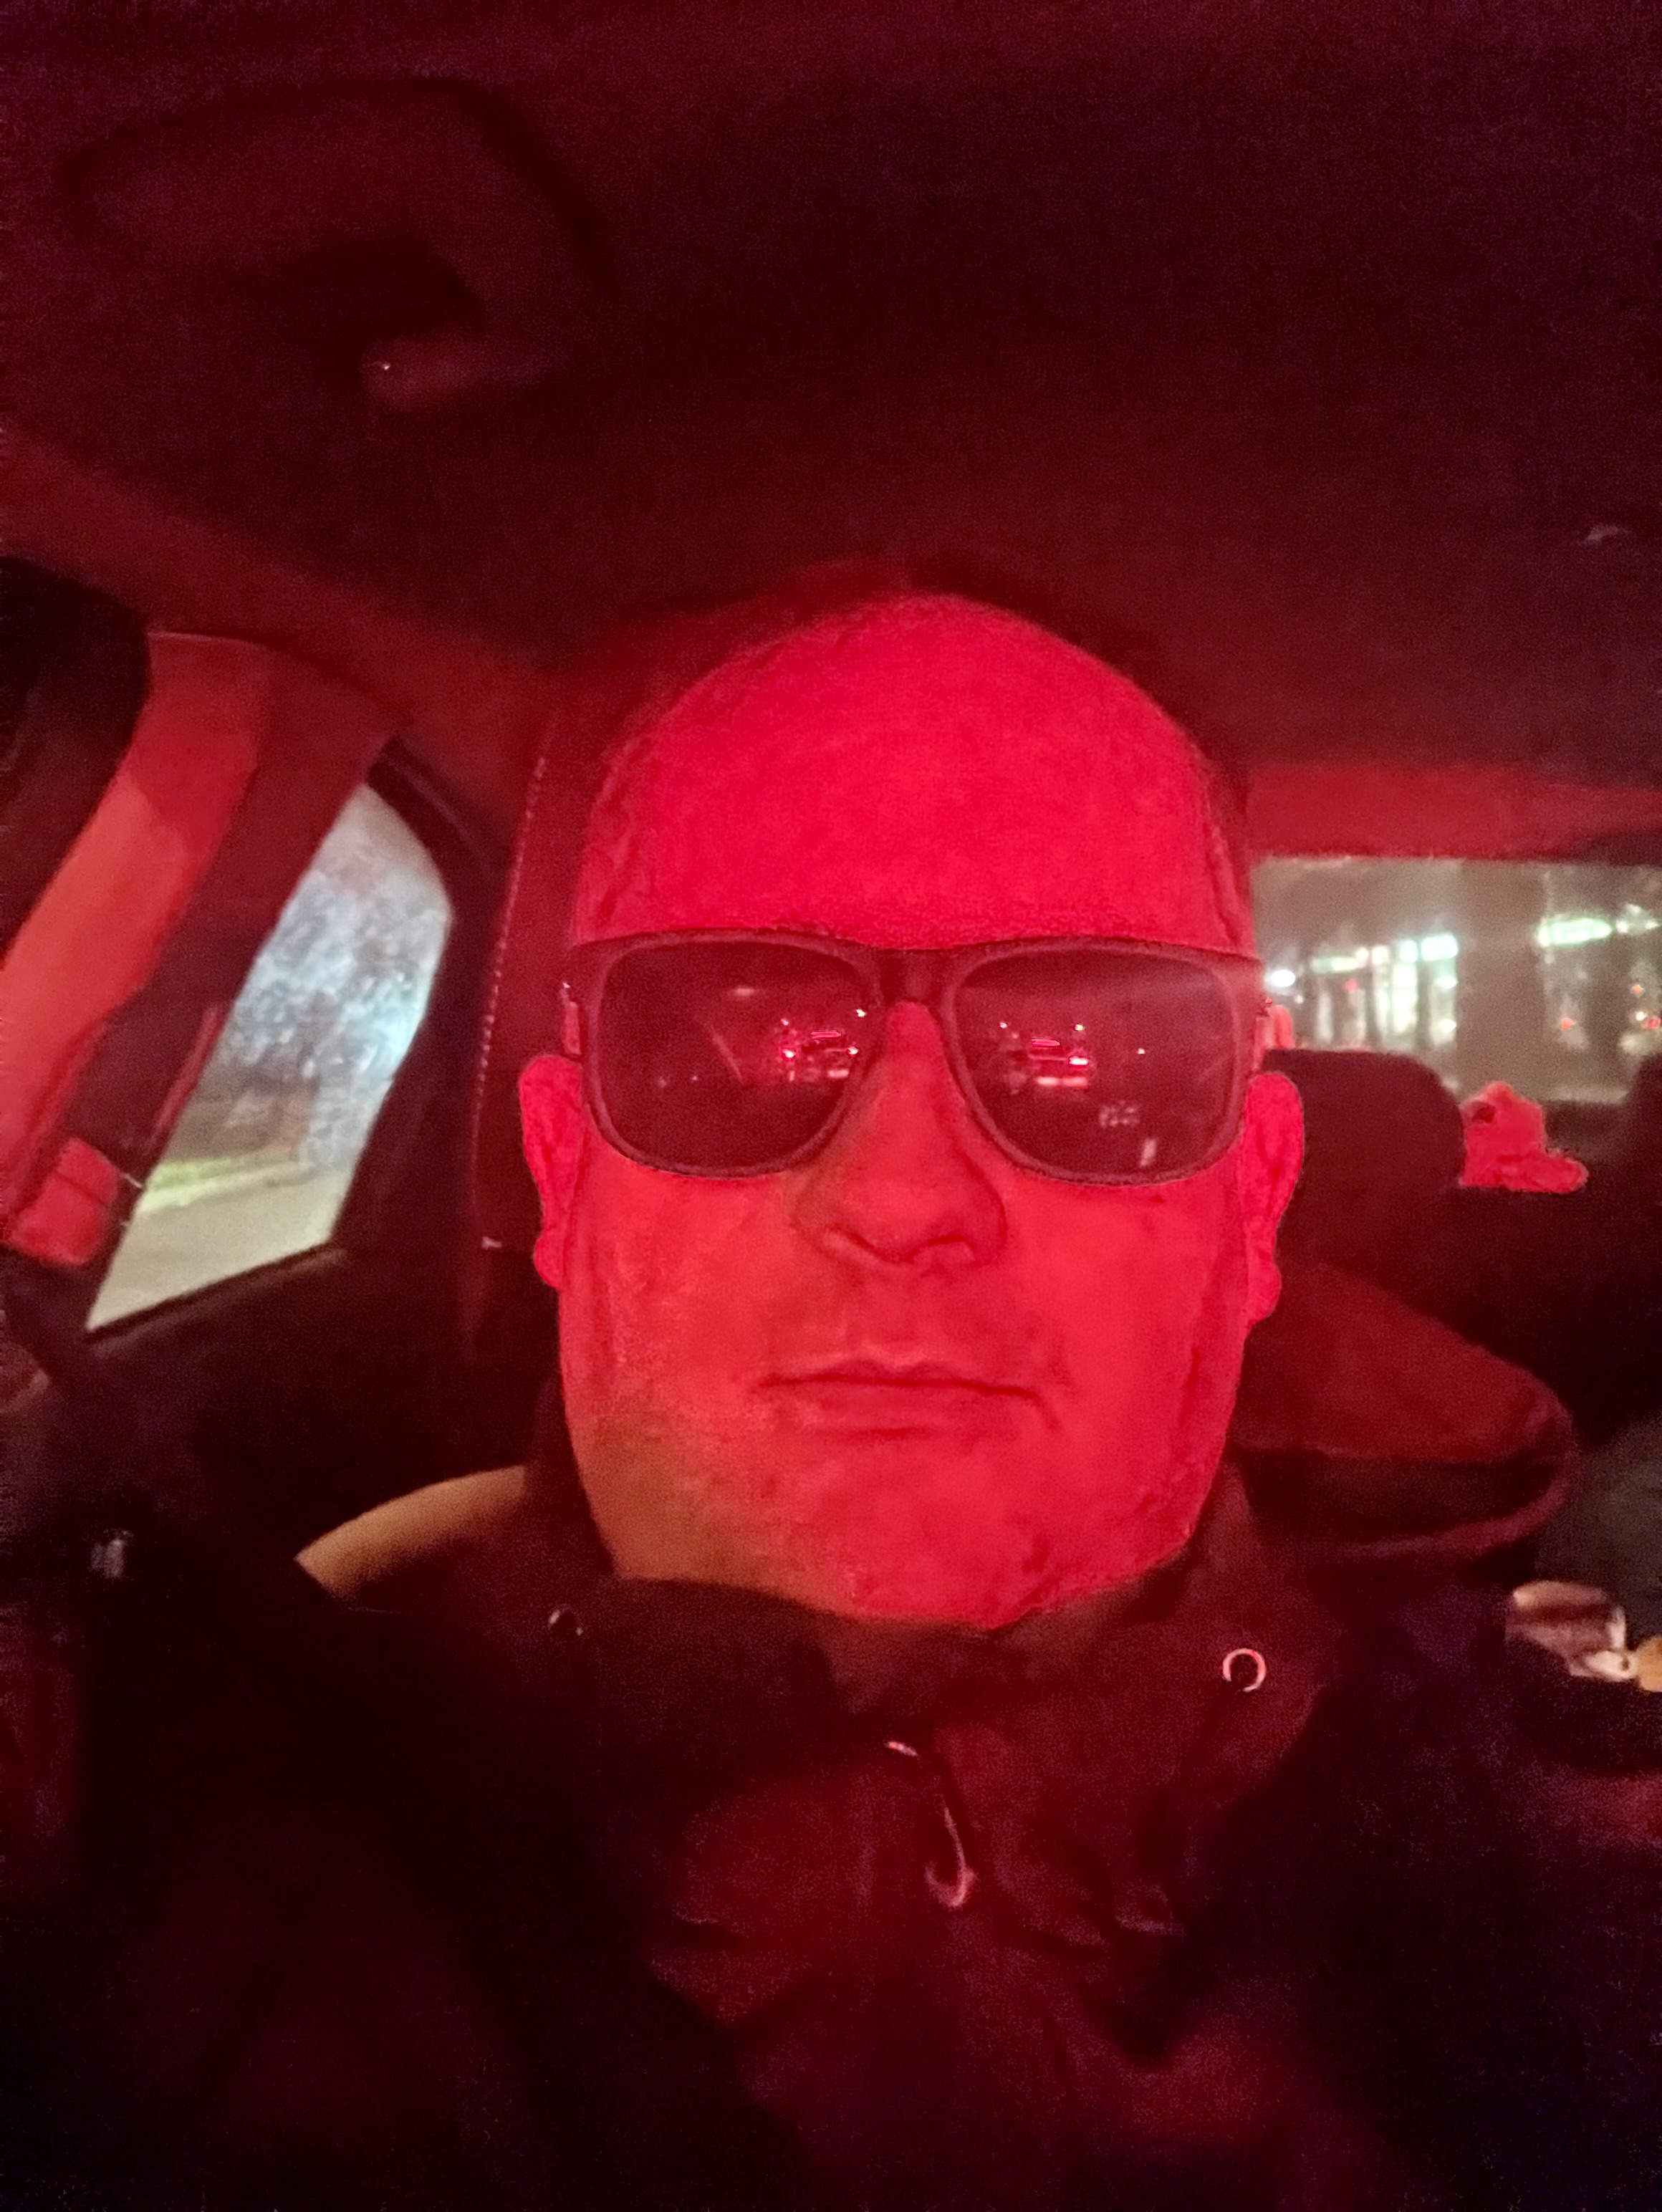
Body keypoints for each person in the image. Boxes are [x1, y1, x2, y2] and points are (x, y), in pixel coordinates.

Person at [4, 575, 1662, 2211]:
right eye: (727, 1040)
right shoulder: (154, 1858)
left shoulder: (1557, 1893)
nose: (901, 1194)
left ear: (1252, 1206)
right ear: (563, 1173)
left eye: (1099, 1051)